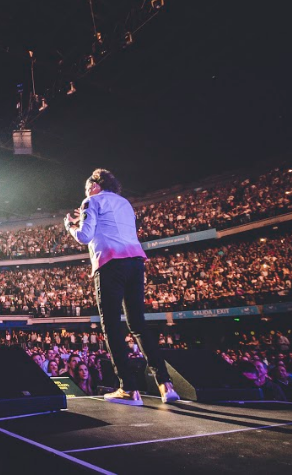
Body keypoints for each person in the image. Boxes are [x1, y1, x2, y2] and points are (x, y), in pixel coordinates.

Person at [65, 169, 179, 406]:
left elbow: (85, 237)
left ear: (96, 185)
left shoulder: (91, 200)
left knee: (111, 327)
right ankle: (166, 385)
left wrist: (70, 226)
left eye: (87, 188)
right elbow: (109, 226)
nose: (85, 193)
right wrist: (85, 217)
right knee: (138, 324)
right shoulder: (125, 203)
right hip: (136, 262)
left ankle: (128, 388)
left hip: (110, 264)